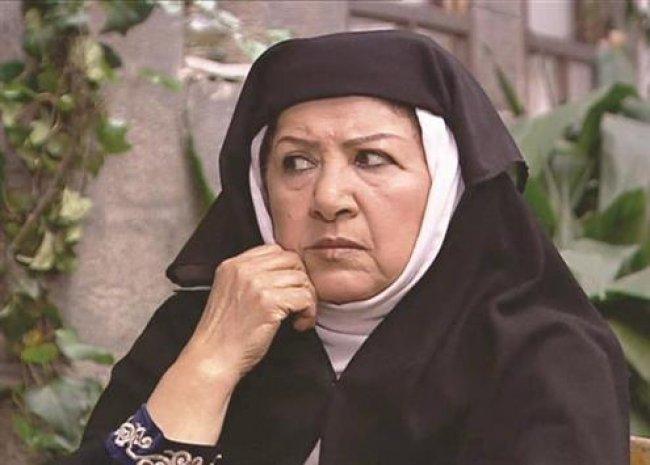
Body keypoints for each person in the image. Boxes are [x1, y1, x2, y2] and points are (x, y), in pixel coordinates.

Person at [57, 29, 630, 465]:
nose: (329, 198)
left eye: (371, 159)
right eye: (296, 163)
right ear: (261, 191)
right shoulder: (198, 330)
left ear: (446, 188)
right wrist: (210, 364)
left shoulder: (539, 355)